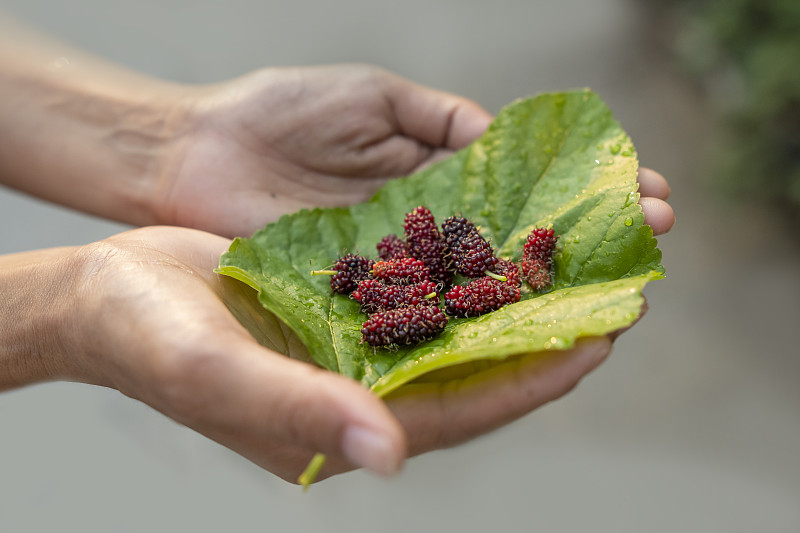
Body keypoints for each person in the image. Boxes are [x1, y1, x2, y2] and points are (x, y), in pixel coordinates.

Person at [0, 14, 675, 483]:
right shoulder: (407, 278)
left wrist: (174, 140)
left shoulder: (441, 269)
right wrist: (70, 307)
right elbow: (72, 306)